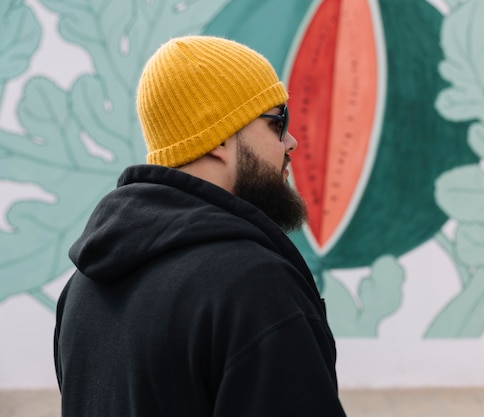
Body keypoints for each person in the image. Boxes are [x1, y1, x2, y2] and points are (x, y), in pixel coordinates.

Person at [53, 35, 347, 417]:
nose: (290, 141)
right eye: (278, 120)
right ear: (218, 137)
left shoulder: (83, 287)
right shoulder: (254, 287)